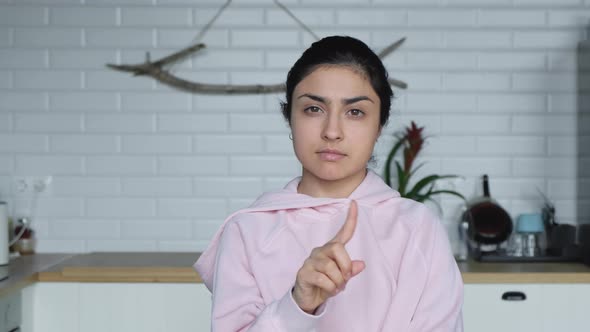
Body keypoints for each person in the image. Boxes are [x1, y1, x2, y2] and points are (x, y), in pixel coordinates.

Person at [194, 35, 463, 331]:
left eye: (355, 112)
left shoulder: (417, 228)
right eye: (314, 109)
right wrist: (298, 304)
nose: (332, 131)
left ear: (379, 126)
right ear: (290, 118)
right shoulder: (246, 231)